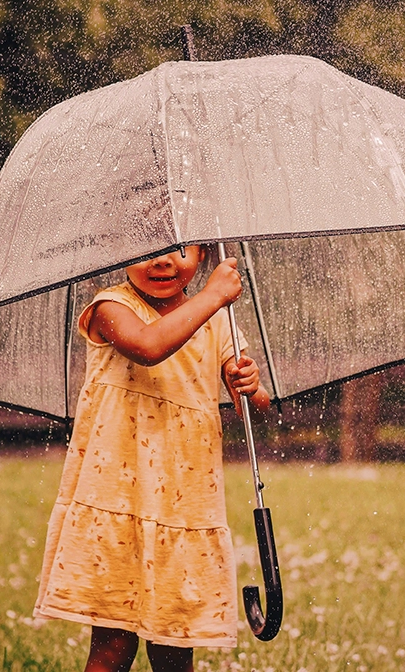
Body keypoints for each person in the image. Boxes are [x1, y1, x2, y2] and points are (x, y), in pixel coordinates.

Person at [35, 245, 270, 672]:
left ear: (203, 254)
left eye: (179, 250)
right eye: (147, 248)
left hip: (182, 506)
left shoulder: (219, 320)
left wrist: (250, 386)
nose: (162, 261)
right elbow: (147, 346)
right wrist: (214, 295)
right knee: (112, 645)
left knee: (175, 647)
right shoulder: (111, 306)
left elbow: (256, 407)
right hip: (119, 501)